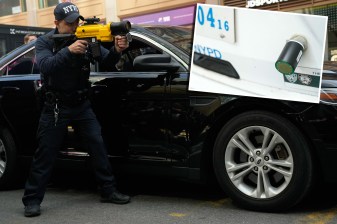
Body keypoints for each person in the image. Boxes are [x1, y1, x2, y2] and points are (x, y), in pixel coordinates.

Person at [22, 2, 130, 217]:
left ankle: (108, 191)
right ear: (56, 23)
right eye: (68, 23)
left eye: (75, 22)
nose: (73, 27)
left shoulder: (86, 37)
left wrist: (117, 50)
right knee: (45, 153)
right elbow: (45, 66)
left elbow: (105, 61)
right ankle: (32, 200)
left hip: (81, 104)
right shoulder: (45, 42)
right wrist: (69, 51)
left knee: (98, 146)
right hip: (56, 106)